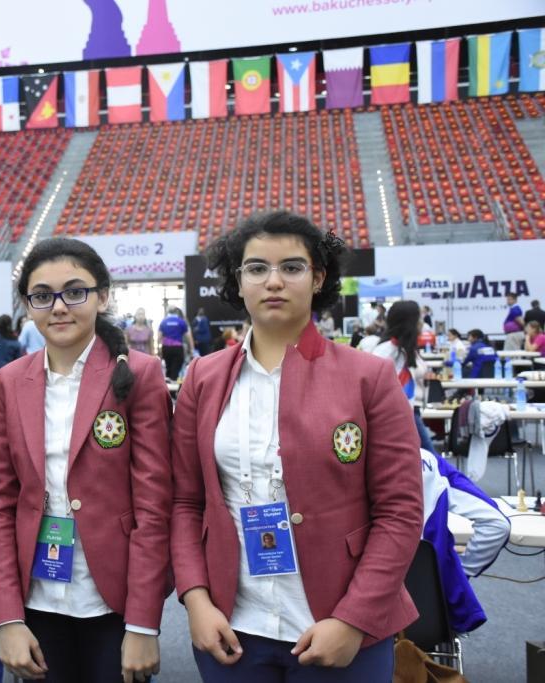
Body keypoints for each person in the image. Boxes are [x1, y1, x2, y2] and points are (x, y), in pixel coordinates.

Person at [172, 211, 423, 682]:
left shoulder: (369, 377)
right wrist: (195, 598)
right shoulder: (203, 378)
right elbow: (186, 502)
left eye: (291, 267)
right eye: (256, 268)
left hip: (338, 627)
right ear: (238, 280)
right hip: (231, 627)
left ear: (318, 278)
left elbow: (400, 512)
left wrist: (354, 618)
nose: (274, 281)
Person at [0, 237, 172, 683]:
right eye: (42, 296)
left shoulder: (139, 374)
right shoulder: (8, 382)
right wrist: (7, 617)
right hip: (37, 599)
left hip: (114, 600)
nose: (59, 307)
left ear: (102, 296)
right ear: (27, 306)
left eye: (74, 291)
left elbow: (154, 505)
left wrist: (143, 623)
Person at [418, 448, 509, 634]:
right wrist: (459, 572)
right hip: (432, 609)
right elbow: (498, 525)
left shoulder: (357, 462)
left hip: (364, 610)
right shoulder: (432, 462)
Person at [370, 300, 437, 454]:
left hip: (412, 413)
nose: (421, 323)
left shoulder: (407, 349)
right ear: (410, 322)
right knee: (433, 461)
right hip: (402, 416)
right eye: (419, 319)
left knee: (425, 462)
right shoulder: (386, 352)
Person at [158, 306, 193, 381]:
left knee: (168, 367)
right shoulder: (181, 322)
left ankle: (168, 382)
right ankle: (174, 382)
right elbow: (188, 337)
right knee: (176, 368)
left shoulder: (163, 322)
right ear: (177, 312)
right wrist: (191, 349)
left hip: (166, 347)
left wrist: (159, 349)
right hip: (177, 347)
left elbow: (159, 337)